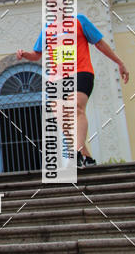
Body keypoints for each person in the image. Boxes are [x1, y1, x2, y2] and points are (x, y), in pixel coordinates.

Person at [17, 13, 129, 167]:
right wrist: (24, 54)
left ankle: (75, 153)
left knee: (76, 108)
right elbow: (36, 54)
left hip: (80, 72)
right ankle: (86, 156)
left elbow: (99, 43)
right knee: (61, 116)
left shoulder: (79, 20)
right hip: (57, 78)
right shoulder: (48, 28)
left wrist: (119, 62)